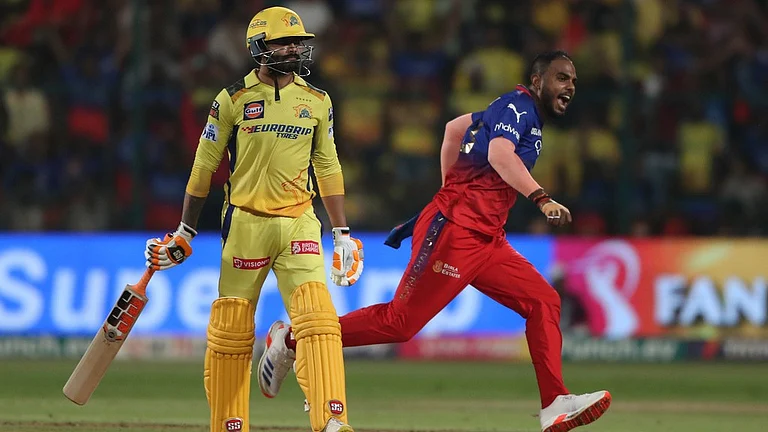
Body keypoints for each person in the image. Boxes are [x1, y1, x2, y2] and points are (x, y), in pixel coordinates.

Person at [257, 51, 612, 432]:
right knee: (400, 323)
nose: (569, 86)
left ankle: (554, 403)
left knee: (543, 301)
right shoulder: (519, 106)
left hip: (486, 238)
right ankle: (292, 339)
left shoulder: (515, 113)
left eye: (573, 80)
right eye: (561, 78)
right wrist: (539, 198)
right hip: (456, 233)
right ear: (538, 81)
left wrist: (451, 188)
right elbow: (498, 153)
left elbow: (454, 129)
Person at [143, 6, 363, 432]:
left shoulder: (317, 101)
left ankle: (332, 421)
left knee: (319, 321)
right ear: (259, 48)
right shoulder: (232, 100)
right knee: (231, 332)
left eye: (299, 42)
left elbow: (329, 164)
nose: (296, 49)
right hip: (245, 223)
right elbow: (204, 167)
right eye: (285, 42)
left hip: (300, 220)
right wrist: (186, 230)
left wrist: (342, 232)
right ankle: (229, 423)